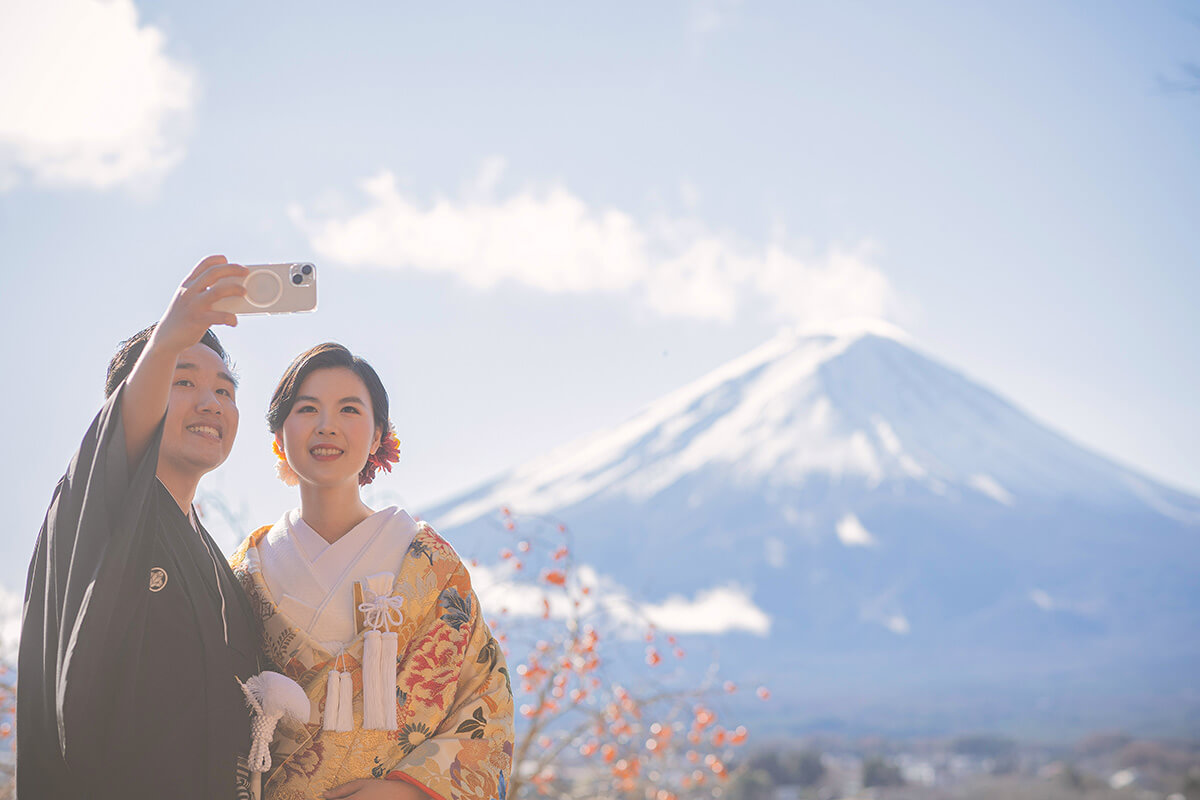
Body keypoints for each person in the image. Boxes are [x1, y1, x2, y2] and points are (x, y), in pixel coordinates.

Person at [18, 256, 262, 799]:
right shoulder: (96, 502)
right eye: (183, 380)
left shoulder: (216, 559)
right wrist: (169, 337)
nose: (210, 401)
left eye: (225, 390)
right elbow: (123, 431)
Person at [228, 343, 513, 800]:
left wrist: (405, 792)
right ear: (279, 436)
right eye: (307, 409)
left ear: (379, 434)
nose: (327, 426)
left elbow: (485, 698)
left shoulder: (428, 565)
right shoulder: (247, 569)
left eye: (349, 409)